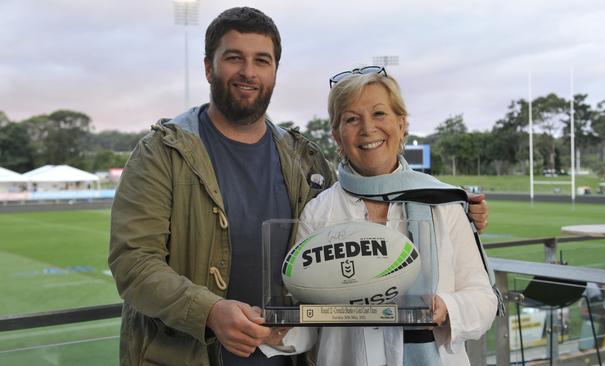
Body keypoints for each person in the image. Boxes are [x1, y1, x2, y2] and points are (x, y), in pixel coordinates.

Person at [109, 7, 490, 366]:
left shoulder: (304, 159)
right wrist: (211, 313)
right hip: (196, 354)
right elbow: (133, 260)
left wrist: (458, 208)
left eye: (262, 60)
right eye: (233, 58)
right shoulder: (164, 153)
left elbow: (477, 295)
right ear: (209, 67)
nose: (248, 71)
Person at [262, 67, 497, 365]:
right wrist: (275, 333)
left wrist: (446, 309)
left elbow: (484, 300)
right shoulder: (318, 212)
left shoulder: (444, 202)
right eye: (351, 119)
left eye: (379, 114)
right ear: (336, 135)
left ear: (402, 125)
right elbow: (309, 322)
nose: (367, 128)